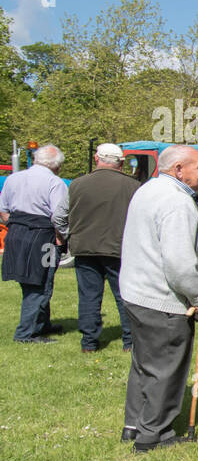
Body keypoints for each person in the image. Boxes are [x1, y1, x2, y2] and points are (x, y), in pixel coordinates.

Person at [119, 145, 198, 452]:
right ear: (178, 169)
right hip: (161, 299)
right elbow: (181, 265)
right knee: (165, 367)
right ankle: (153, 435)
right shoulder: (177, 203)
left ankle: (134, 425)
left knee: (144, 364)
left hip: (136, 292)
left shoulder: (148, 190)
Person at [53, 143, 141, 353]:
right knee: (125, 296)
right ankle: (130, 342)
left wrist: (69, 236)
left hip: (84, 248)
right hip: (119, 249)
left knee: (89, 297)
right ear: (120, 163)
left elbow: (58, 217)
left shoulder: (76, 184)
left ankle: (89, 343)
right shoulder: (133, 186)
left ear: (96, 159)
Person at [0, 145, 68, 342]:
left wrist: (16, 225)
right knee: (41, 283)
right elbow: (59, 217)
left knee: (29, 282)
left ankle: (42, 324)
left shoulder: (13, 178)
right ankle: (26, 333)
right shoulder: (55, 183)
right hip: (43, 237)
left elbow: (3, 212)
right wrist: (61, 238)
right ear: (56, 165)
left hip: (15, 234)